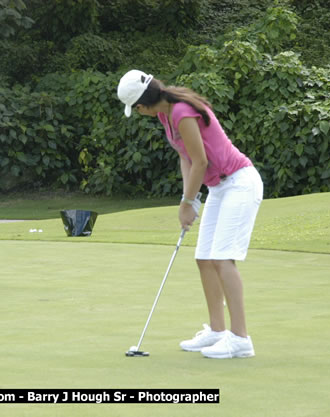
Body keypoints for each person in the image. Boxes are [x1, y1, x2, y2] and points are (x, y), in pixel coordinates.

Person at [117, 70, 263, 359]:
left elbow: (201, 161)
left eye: (136, 109)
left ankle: (240, 338)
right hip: (219, 188)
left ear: (142, 106)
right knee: (204, 258)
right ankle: (218, 331)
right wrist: (190, 199)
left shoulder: (181, 112)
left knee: (222, 259)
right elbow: (186, 157)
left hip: (239, 182)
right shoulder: (166, 114)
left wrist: (187, 203)